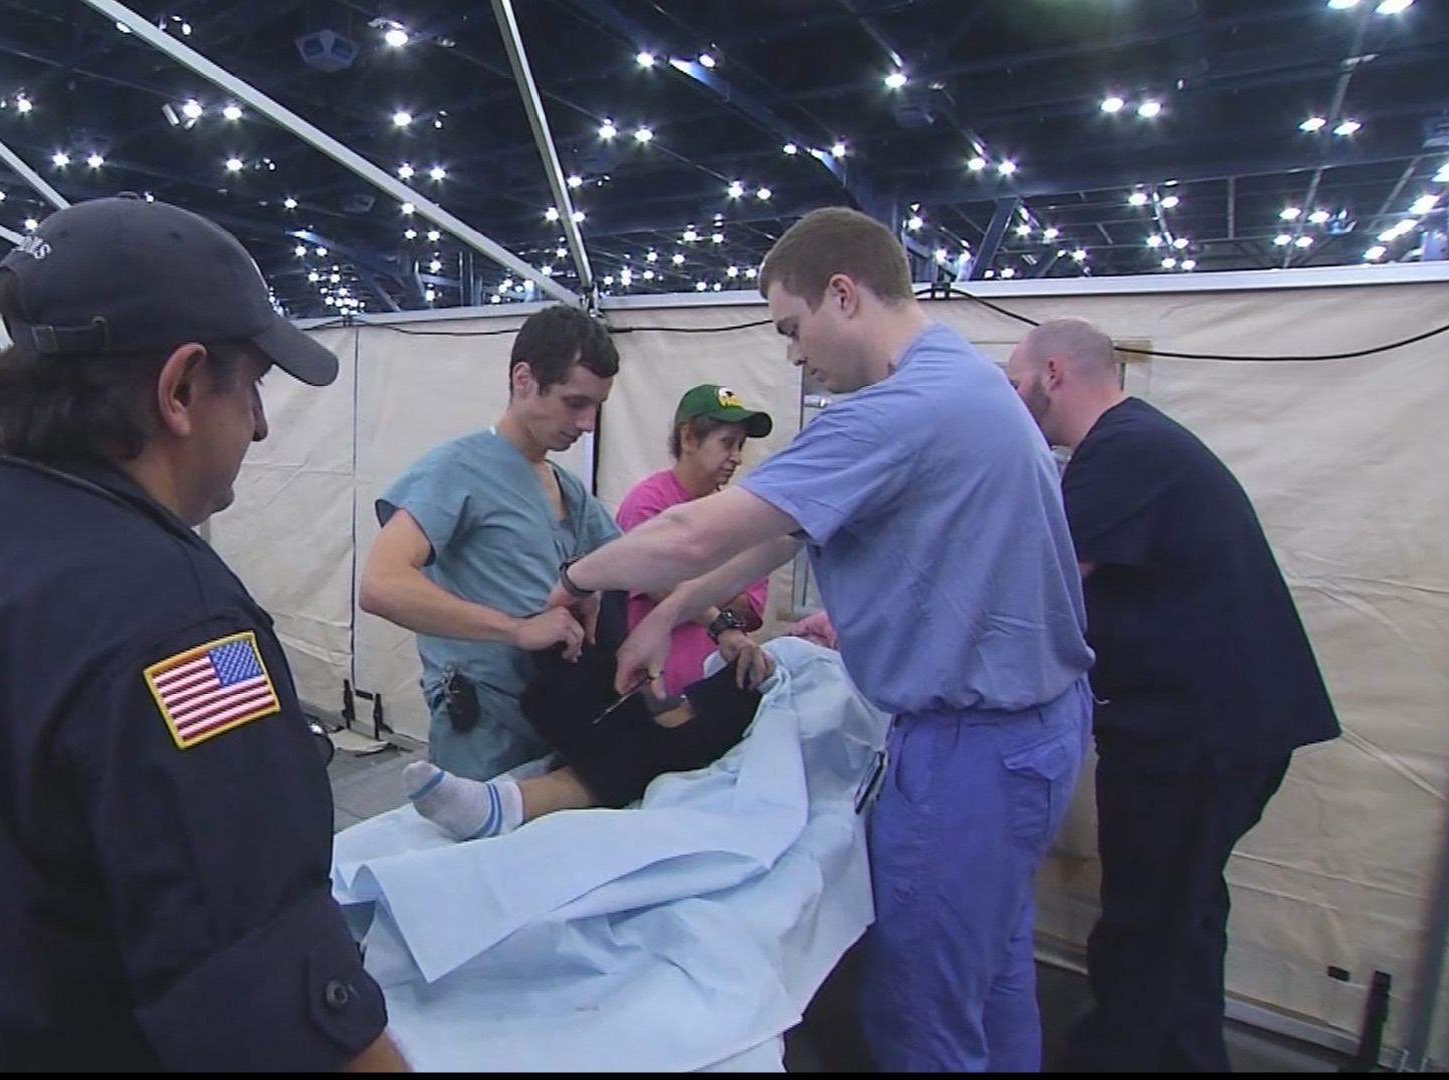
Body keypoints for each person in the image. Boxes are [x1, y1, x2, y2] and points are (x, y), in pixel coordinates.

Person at [0, 196, 405, 1072]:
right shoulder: (182, 627)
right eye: (251, 386)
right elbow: (263, 994)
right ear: (180, 389)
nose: (259, 424)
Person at [542, 206, 1095, 1072]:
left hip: (970, 747)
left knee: (922, 1011)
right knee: (990, 980)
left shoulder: (897, 413)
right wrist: (665, 616)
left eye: (792, 329)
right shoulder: (965, 381)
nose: (795, 355)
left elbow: (692, 535)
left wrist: (579, 579)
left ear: (843, 294)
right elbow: (779, 538)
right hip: (1029, 733)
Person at [1004, 317, 1341, 1072]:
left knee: (1146, 922)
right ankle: (1189, 1056)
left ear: (1054, 373)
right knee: (1184, 914)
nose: (1013, 396)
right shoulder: (1138, 445)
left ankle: (1119, 1057)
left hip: (1195, 737)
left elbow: (1036, 587)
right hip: (1222, 729)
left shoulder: (1123, 453)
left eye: (1016, 380)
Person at [360, 305, 640, 786]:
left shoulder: (566, 488)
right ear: (524, 379)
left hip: (554, 715)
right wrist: (517, 629)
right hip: (484, 730)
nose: (588, 423)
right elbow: (381, 585)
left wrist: (715, 622)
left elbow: (633, 561)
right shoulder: (455, 470)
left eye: (596, 406)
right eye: (575, 402)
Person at [402, 587, 767, 842]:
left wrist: (720, 625)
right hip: (494, 688)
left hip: (773, 681)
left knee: (722, 704)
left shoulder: (576, 504)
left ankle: (509, 803)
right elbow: (652, 558)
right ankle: (512, 802)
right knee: (583, 696)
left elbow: (664, 562)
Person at [615, 384, 775, 698]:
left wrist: (690, 583)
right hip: (654, 690)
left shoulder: (741, 516)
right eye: (727, 443)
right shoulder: (647, 503)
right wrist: (723, 588)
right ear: (688, 438)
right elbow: (655, 581)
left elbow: (750, 606)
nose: (737, 458)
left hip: (717, 687)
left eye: (740, 445)